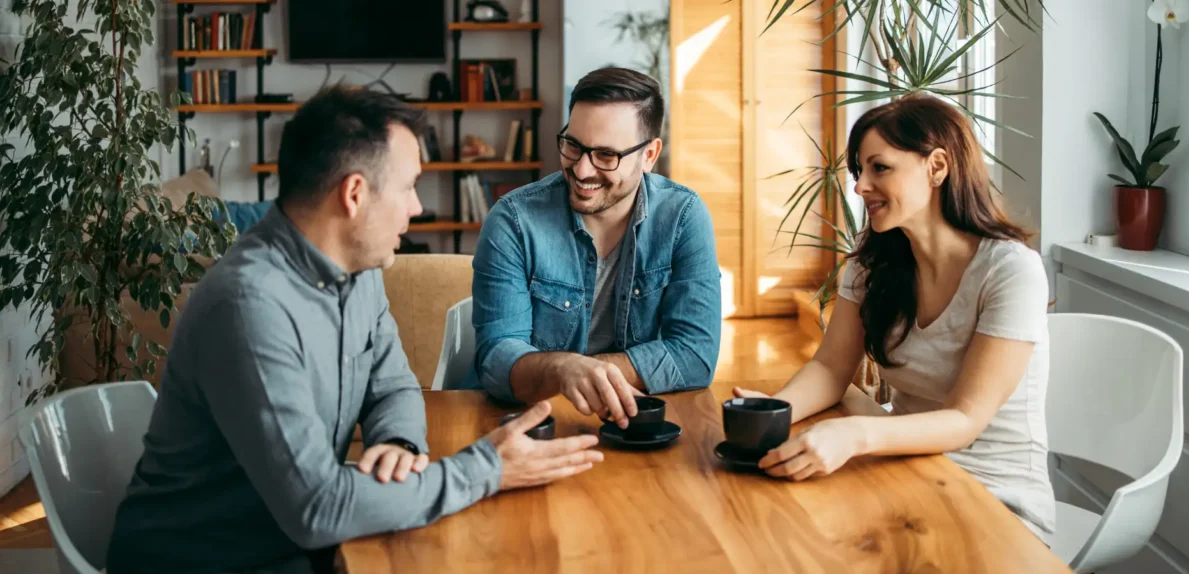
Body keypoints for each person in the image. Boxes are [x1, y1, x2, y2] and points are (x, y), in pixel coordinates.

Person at [106, 85, 604, 574]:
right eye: (409, 187)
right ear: (354, 194)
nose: (416, 207)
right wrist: (488, 469)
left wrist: (399, 446)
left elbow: (392, 385)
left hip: (293, 543)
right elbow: (317, 510)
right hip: (211, 559)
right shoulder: (248, 307)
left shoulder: (357, 269)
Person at [734, 94, 1055, 543]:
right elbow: (830, 367)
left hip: (996, 499)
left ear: (937, 167)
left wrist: (855, 435)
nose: (861, 186)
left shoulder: (1010, 270)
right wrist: (777, 412)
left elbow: (965, 418)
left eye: (879, 168)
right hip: (905, 472)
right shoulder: (874, 263)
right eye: (859, 172)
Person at [467, 67, 722, 429]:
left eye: (605, 155)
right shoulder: (513, 220)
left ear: (649, 154)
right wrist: (563, 370)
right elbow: (496, 361)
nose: (582, 169)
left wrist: (588, 372)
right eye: (573, 145)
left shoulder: (683, 217)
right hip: (527, 424)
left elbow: (695, 354)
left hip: (633, 425)